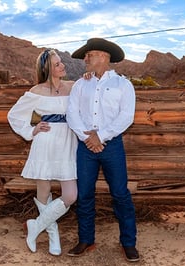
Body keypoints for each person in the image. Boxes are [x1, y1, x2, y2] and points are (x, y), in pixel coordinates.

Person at [66, 38, 140, 262]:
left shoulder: (123, 84)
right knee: (85, 194)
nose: (86, 59)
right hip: (85, 145)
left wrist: (101, 136)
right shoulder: (81, 84)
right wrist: (87, 137)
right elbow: (72, 113)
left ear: (104, 57)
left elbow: (126, 116)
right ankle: (86, 239)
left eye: (90, 55)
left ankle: (128, 243)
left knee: (120, 194)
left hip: (112, 145)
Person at [7, 49, 78, 256]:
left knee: (71, 195)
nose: (62, 65)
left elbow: (89, 90)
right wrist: (32, 130)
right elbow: (15, 116)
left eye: (61, 62)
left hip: (67, 143)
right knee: (44, 191)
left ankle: (35, 226)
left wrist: (89, 77)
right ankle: (53, 232)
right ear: (47, 69)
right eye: (57, 64)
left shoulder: (72, 86)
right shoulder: (36, 91)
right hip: (45, 143)